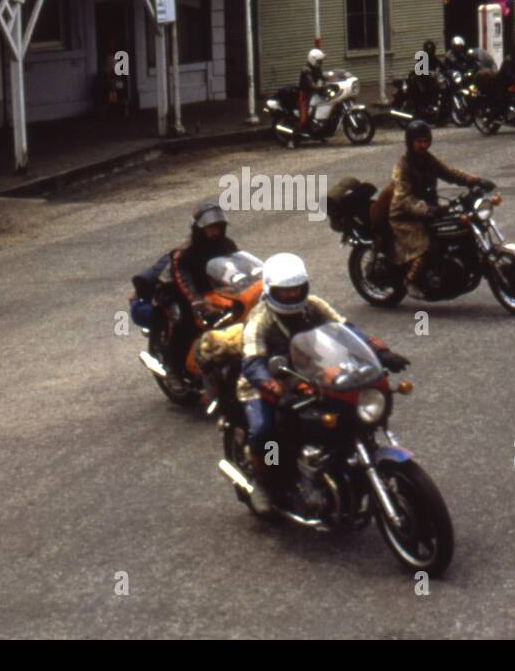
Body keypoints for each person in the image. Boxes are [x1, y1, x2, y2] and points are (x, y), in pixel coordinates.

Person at [237, 253, 409, 514]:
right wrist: (277, 390)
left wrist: (380, 352)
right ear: (271, 290)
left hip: (311, 374)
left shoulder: (313, 305)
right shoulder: (260, 318)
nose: (292, 296)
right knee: (265, 433)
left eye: (297, 290)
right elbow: (252, 364)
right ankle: (266, 486)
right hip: (267, 384)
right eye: (285, 292)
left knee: (347, 410)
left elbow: (346, 329)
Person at [389, 121, 494, 299]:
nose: (422, 145)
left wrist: (475, 181)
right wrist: (427, 209)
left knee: (459, 227)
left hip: (429, 210)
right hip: (405, 216)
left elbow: (450, 173)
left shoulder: (428, 159)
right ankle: (410, 281)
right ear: (410, 142)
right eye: (418, 141)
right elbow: (403, 198)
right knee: (427, 245)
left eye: (425, 141)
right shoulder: (403, 167)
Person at [160, 201, 239, 396]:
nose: (214, 233)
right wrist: (195, 300)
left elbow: (238, 266)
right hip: (179, 292)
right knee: (185, 322)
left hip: (211, 290)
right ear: (199, 229)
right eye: (210, 228)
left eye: (217, 228)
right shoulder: (185, 251)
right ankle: (174, 371)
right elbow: (182, 279)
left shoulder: (227, 245)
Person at [294, 48, 328, 146]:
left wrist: (333, 77)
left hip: (314, 93)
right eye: (319, 61)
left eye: (321, 61)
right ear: (313, 60)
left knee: (322, 110)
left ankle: (320, 132)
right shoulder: (306, 70)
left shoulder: (317, 68)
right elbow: (311, 84)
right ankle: (293, 139)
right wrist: (319, 89)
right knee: (303, 119)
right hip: (305, 95)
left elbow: (323, 76)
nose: (320, 63)